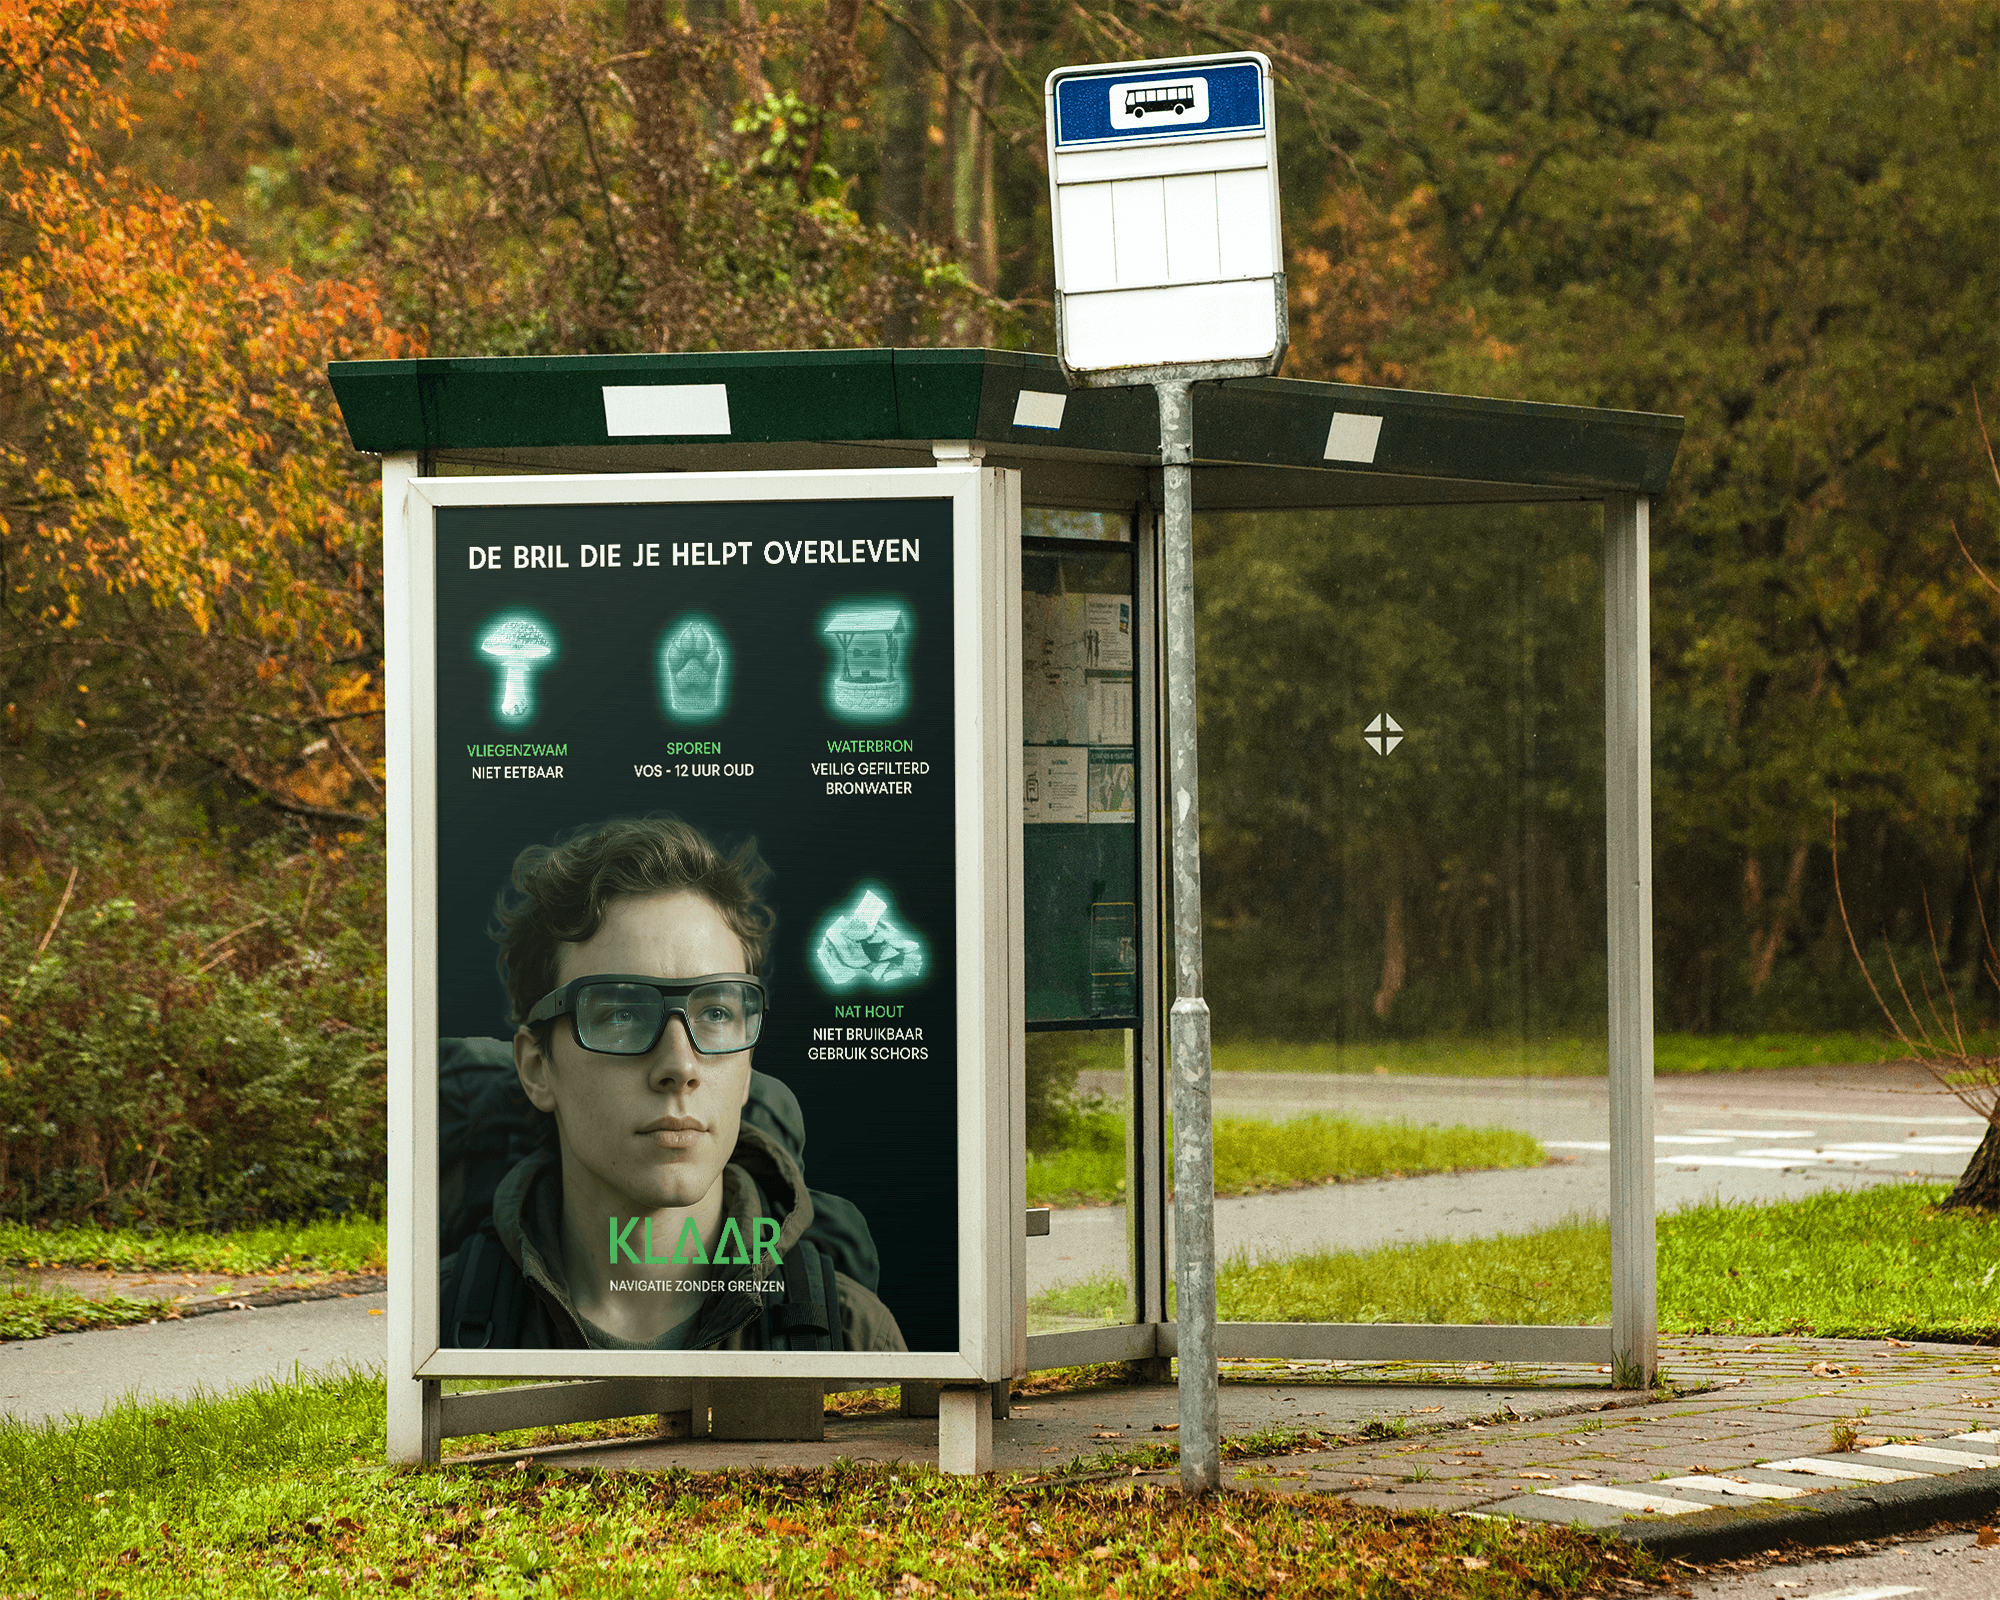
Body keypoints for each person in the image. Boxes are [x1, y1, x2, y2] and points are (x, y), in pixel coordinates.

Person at [441, 815, 905, 1352]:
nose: (680, 1065)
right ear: (537, 1068)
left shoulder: (853, 1337)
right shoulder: (441, 1325)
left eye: (715, 1012)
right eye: (619, 1014)